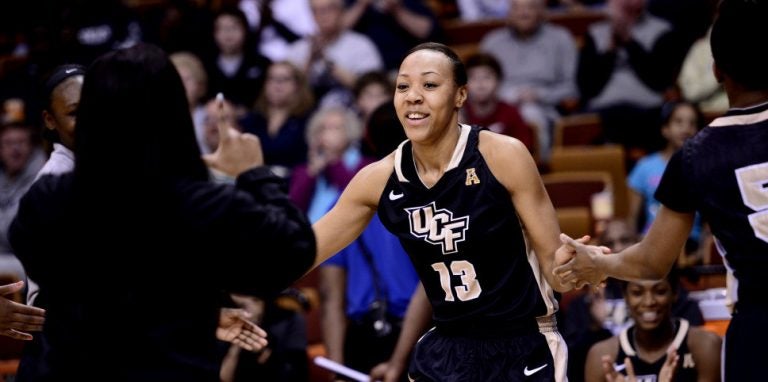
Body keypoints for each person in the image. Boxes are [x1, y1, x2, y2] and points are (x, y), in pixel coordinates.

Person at [8, 43, 316, 381]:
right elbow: (295, 250)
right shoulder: (203, 205)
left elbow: (116, 296)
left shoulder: (48, 199)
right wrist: (253, 174)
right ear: (173, 112)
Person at [311, 42, 575, 381]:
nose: (413, 96)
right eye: (403, 86)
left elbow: (556, 270)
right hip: (448, 347)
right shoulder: (378, 178)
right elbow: (302, 251)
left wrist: (581, 265)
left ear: (460, 95)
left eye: (430, 84)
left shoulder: (502, 155)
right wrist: (228, 298)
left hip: (522, 341)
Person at [555, 1, 768, 380]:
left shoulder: (696, 155)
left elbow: (652, 262)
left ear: (717, 70)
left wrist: (599, 262)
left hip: (759, 327)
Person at [584, 269, 721, 382]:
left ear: (674, 293)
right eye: (637, 293)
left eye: (660, 291)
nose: (649, 302)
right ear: (625, 296)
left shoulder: (706, 346)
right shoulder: (601, 354)